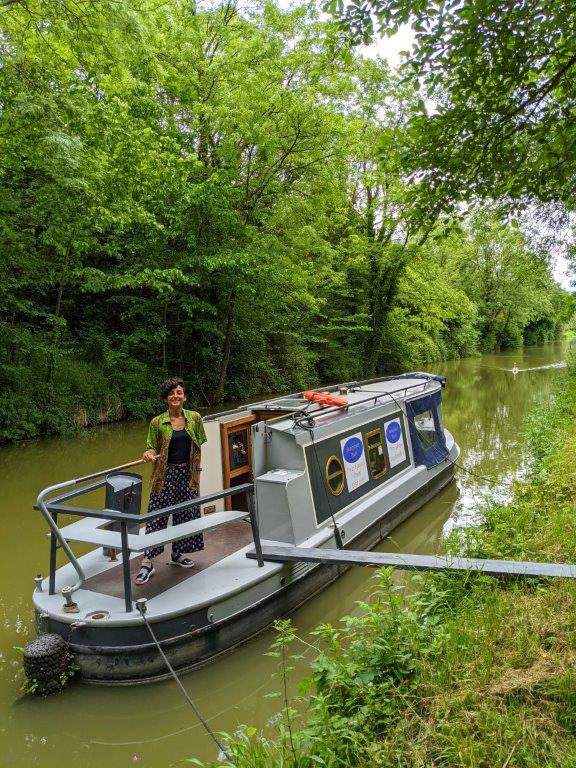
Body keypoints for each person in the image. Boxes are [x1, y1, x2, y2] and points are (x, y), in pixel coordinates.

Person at [135, 377, 207, 585]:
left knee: (185, 514)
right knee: (157, 516)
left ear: (184, 397)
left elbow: (199, 444)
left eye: (179, 392)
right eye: (171, 393)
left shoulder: (195, 418)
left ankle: (177, 554)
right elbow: (151, 447)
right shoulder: (157, 422)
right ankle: (147, 561)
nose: (176, 396)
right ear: (166, 399)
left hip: (188, 475)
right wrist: (148, 453)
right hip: (164, 476)